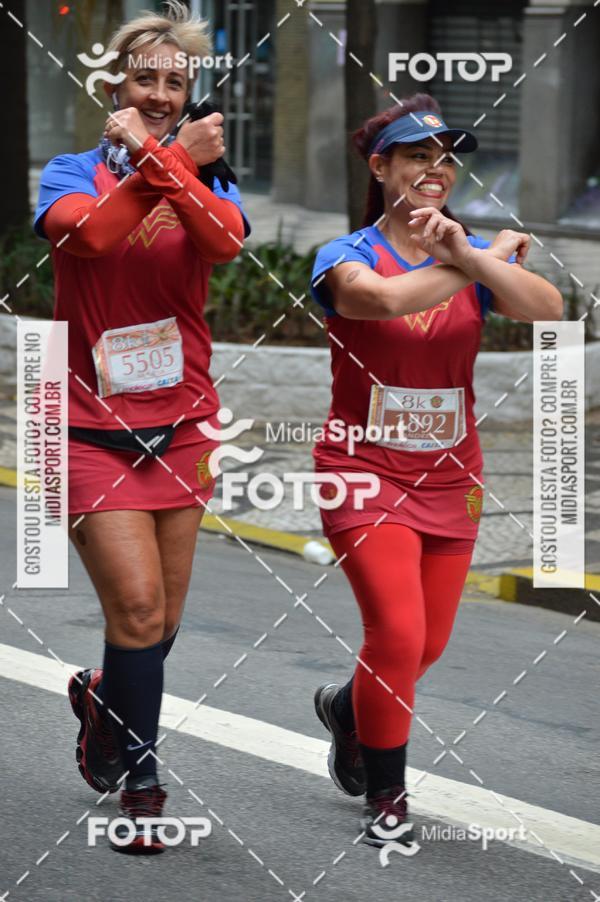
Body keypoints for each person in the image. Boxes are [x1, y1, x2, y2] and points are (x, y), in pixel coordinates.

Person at [310, 94, 562, 846]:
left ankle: (347, 710)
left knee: (427, 646)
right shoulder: (344, 255)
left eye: (445, 158)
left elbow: (547, 309)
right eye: (418, 155)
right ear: (380, 165)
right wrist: (473, 260)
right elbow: (379, 302)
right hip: (361, 472)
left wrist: (473, 254)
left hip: (453, 479)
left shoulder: (471, 250)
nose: (435, 169)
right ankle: (388, 799)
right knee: (395, 630)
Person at [33, 0, 250, 854]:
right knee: (135, 605)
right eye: (145, 77)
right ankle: (141, 779)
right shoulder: (70, 171)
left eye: (176, 81)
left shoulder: (206, 179)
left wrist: (173, 164)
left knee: (158, 625)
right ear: (114, 85)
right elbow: (88, 238)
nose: (161, 92)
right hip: (84, 424)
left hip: (185, 426)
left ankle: (102, 703)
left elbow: (224, 243)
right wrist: (163, 160)